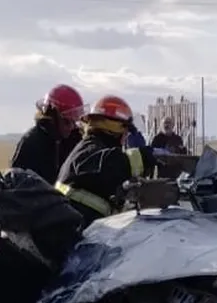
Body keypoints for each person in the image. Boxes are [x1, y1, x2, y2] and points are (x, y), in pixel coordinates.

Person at [55, 95, 157, 225]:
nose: (126, 136)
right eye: (125, 130)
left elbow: (100, 181)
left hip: (75, 224)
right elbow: (107, 165)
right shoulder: (90, 148)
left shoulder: (92, 145)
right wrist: (141, 157)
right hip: (70, 229)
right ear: (115, 127)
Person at [10, 84, 86, 185]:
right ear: (51, 116)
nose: (71, 127)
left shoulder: (76, 141)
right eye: (67, 121)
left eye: (75, 122)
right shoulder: (30, 144)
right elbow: (16, 186)